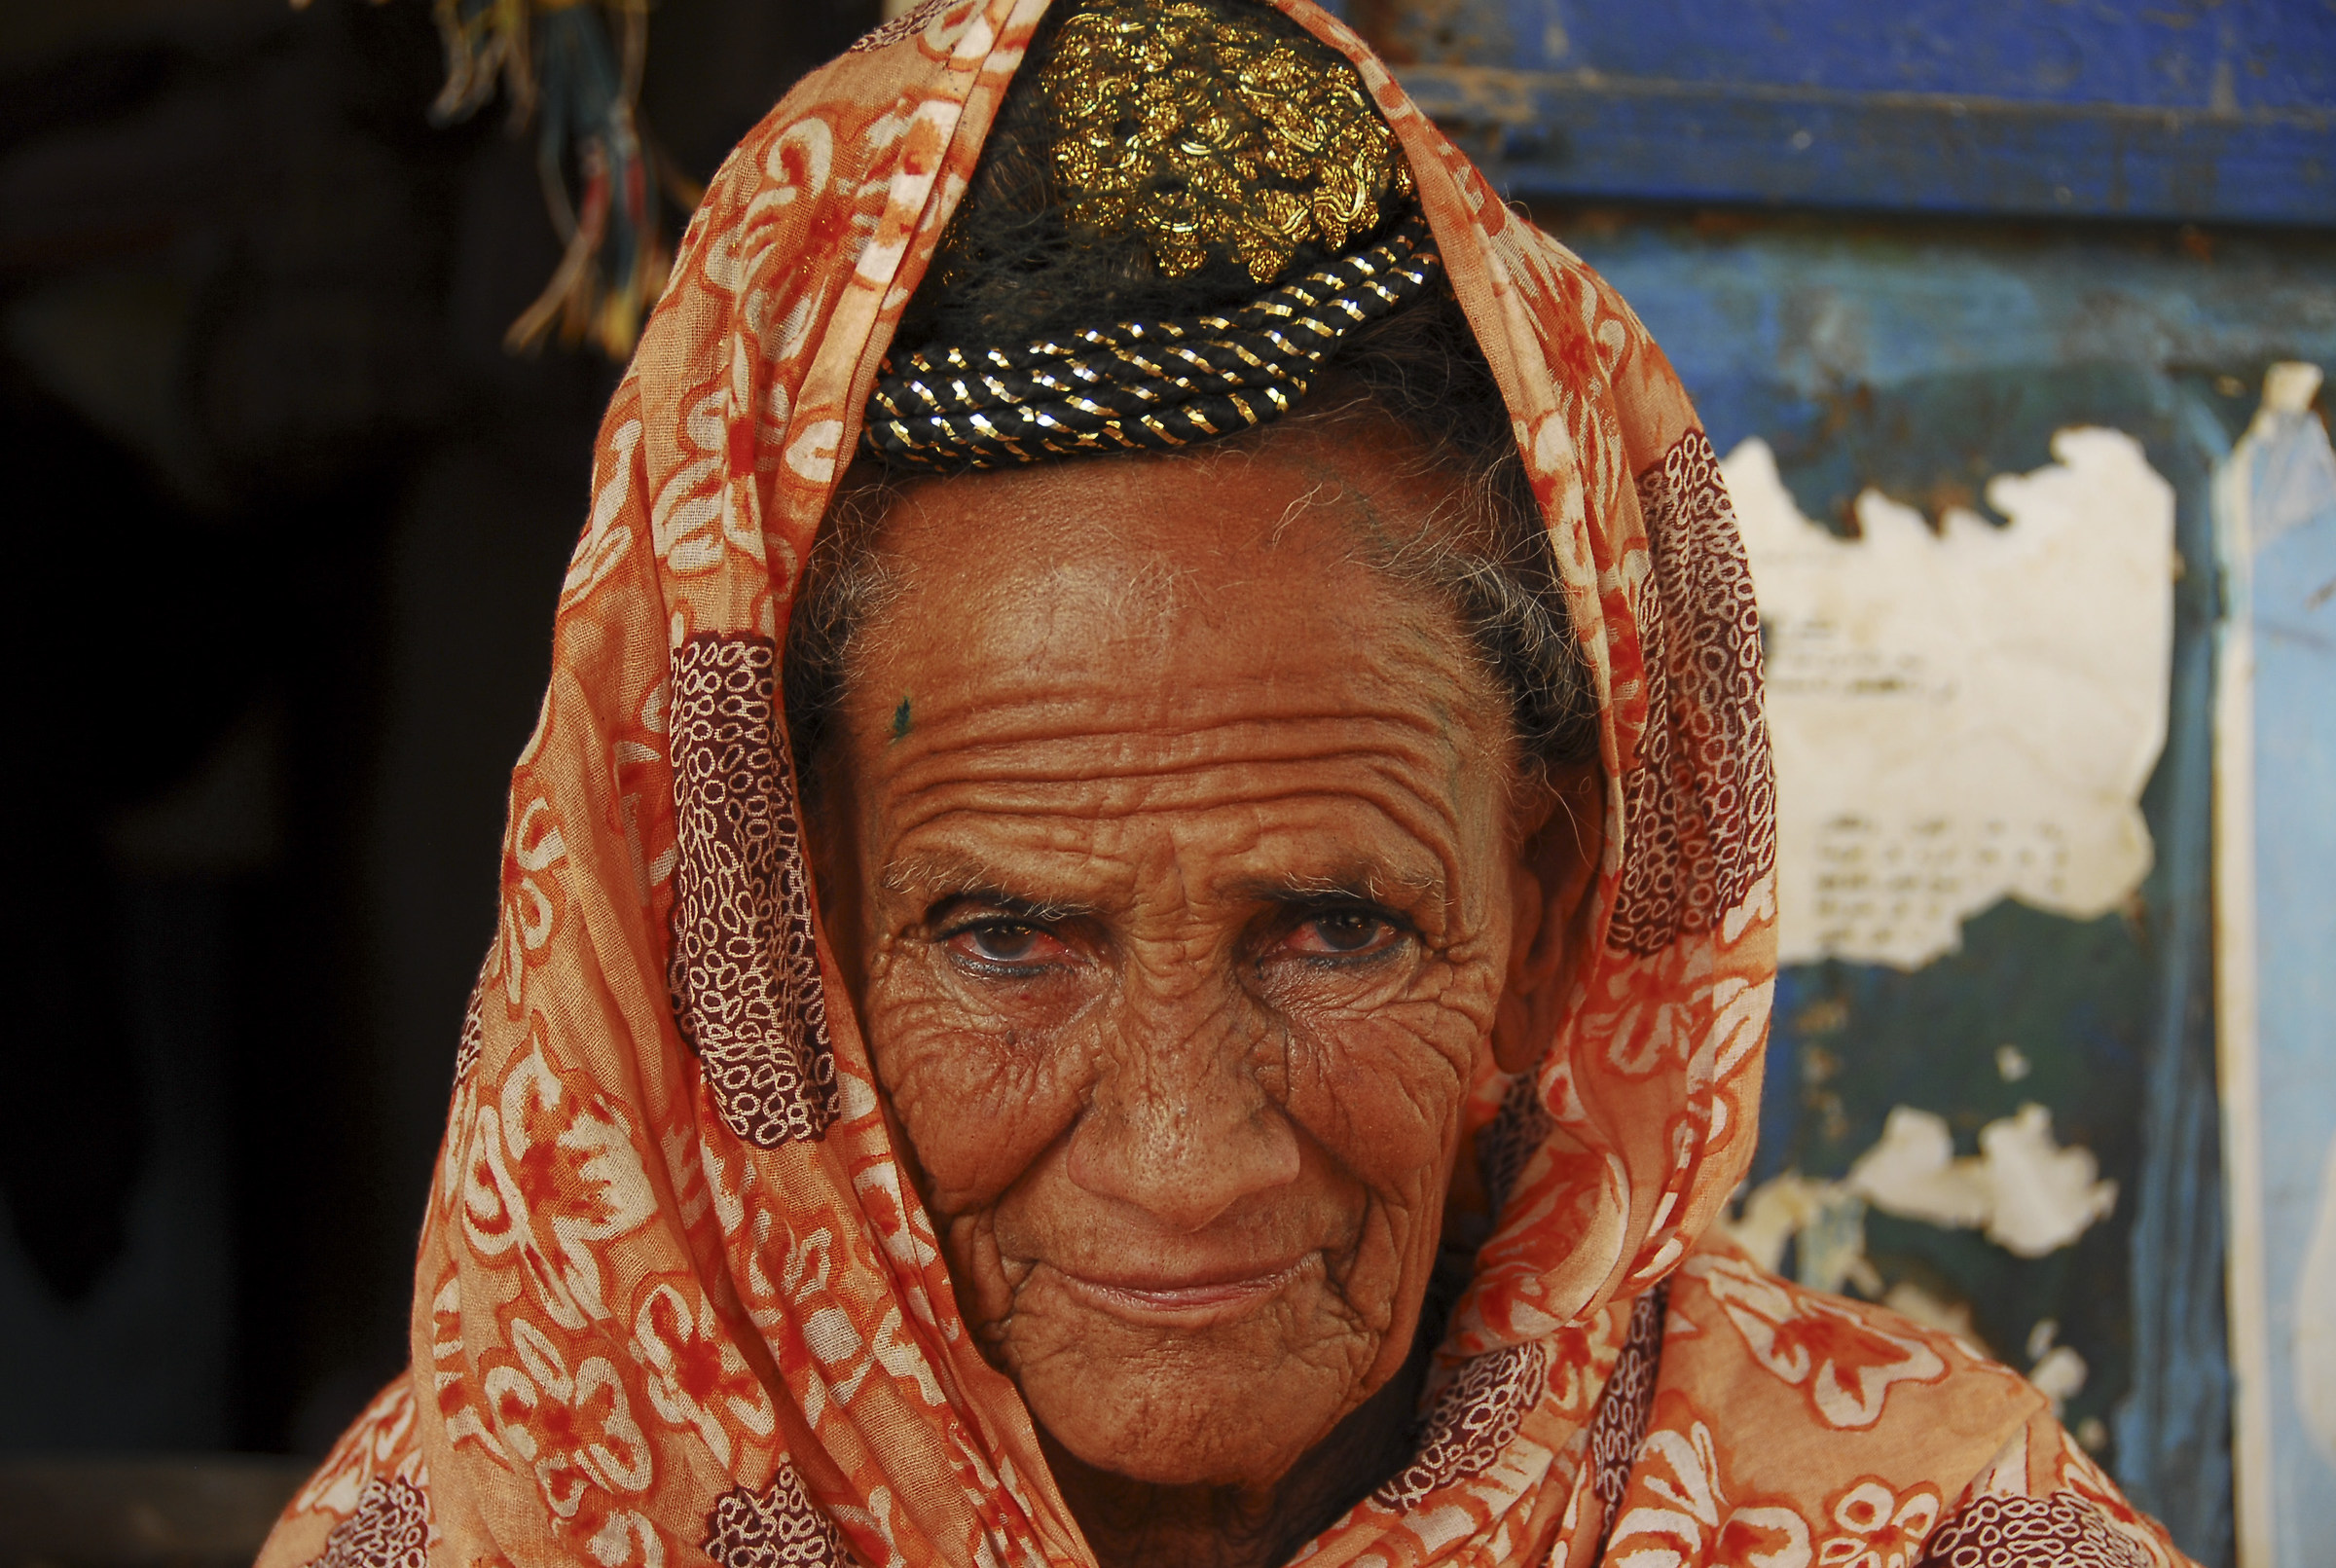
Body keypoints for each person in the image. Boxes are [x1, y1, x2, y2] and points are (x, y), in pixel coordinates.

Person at [258, 2, 2201, 1565]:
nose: (1188, 1154)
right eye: (1008, 933)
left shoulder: (1918, 1527)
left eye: (1338, 924)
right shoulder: (515, 1518)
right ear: (785, 943)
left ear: (1540, 914)